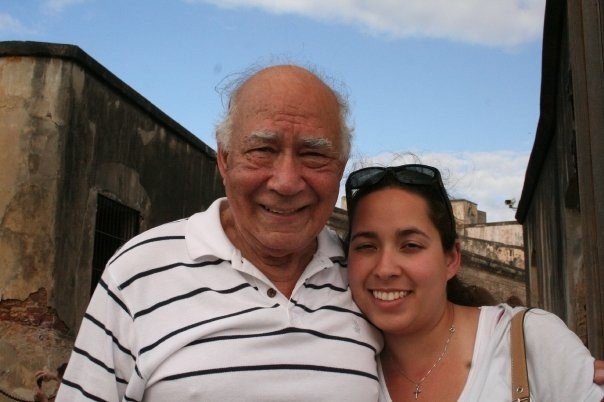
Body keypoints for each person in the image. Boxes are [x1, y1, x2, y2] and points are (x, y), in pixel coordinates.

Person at [56, 65, 382, 401]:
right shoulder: (137, 271)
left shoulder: (370, 280)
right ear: (224, 159)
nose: (286, 182)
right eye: (262, 150)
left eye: (313, 154)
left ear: (340, 167)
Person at [344, 163, 604, 401]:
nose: (385, 268)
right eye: (366, 246)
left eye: (411, 245)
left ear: (451, 259)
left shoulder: (528, 340)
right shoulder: (338, 366)